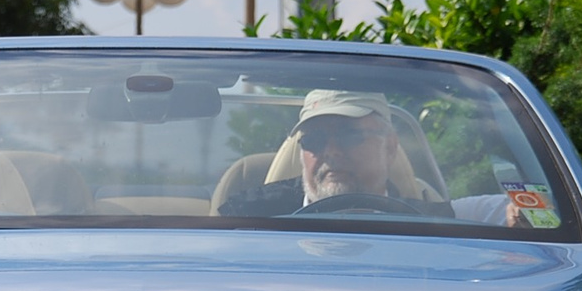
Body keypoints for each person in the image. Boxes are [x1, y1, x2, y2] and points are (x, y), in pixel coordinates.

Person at [218, 89, 516, 225]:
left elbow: (518, 210)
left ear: (389, 146)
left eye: (350, 135)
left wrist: (529, 212)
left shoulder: (425, 219)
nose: (331, 151)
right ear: (301, 153)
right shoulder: (247, 216)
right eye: (315, 140)